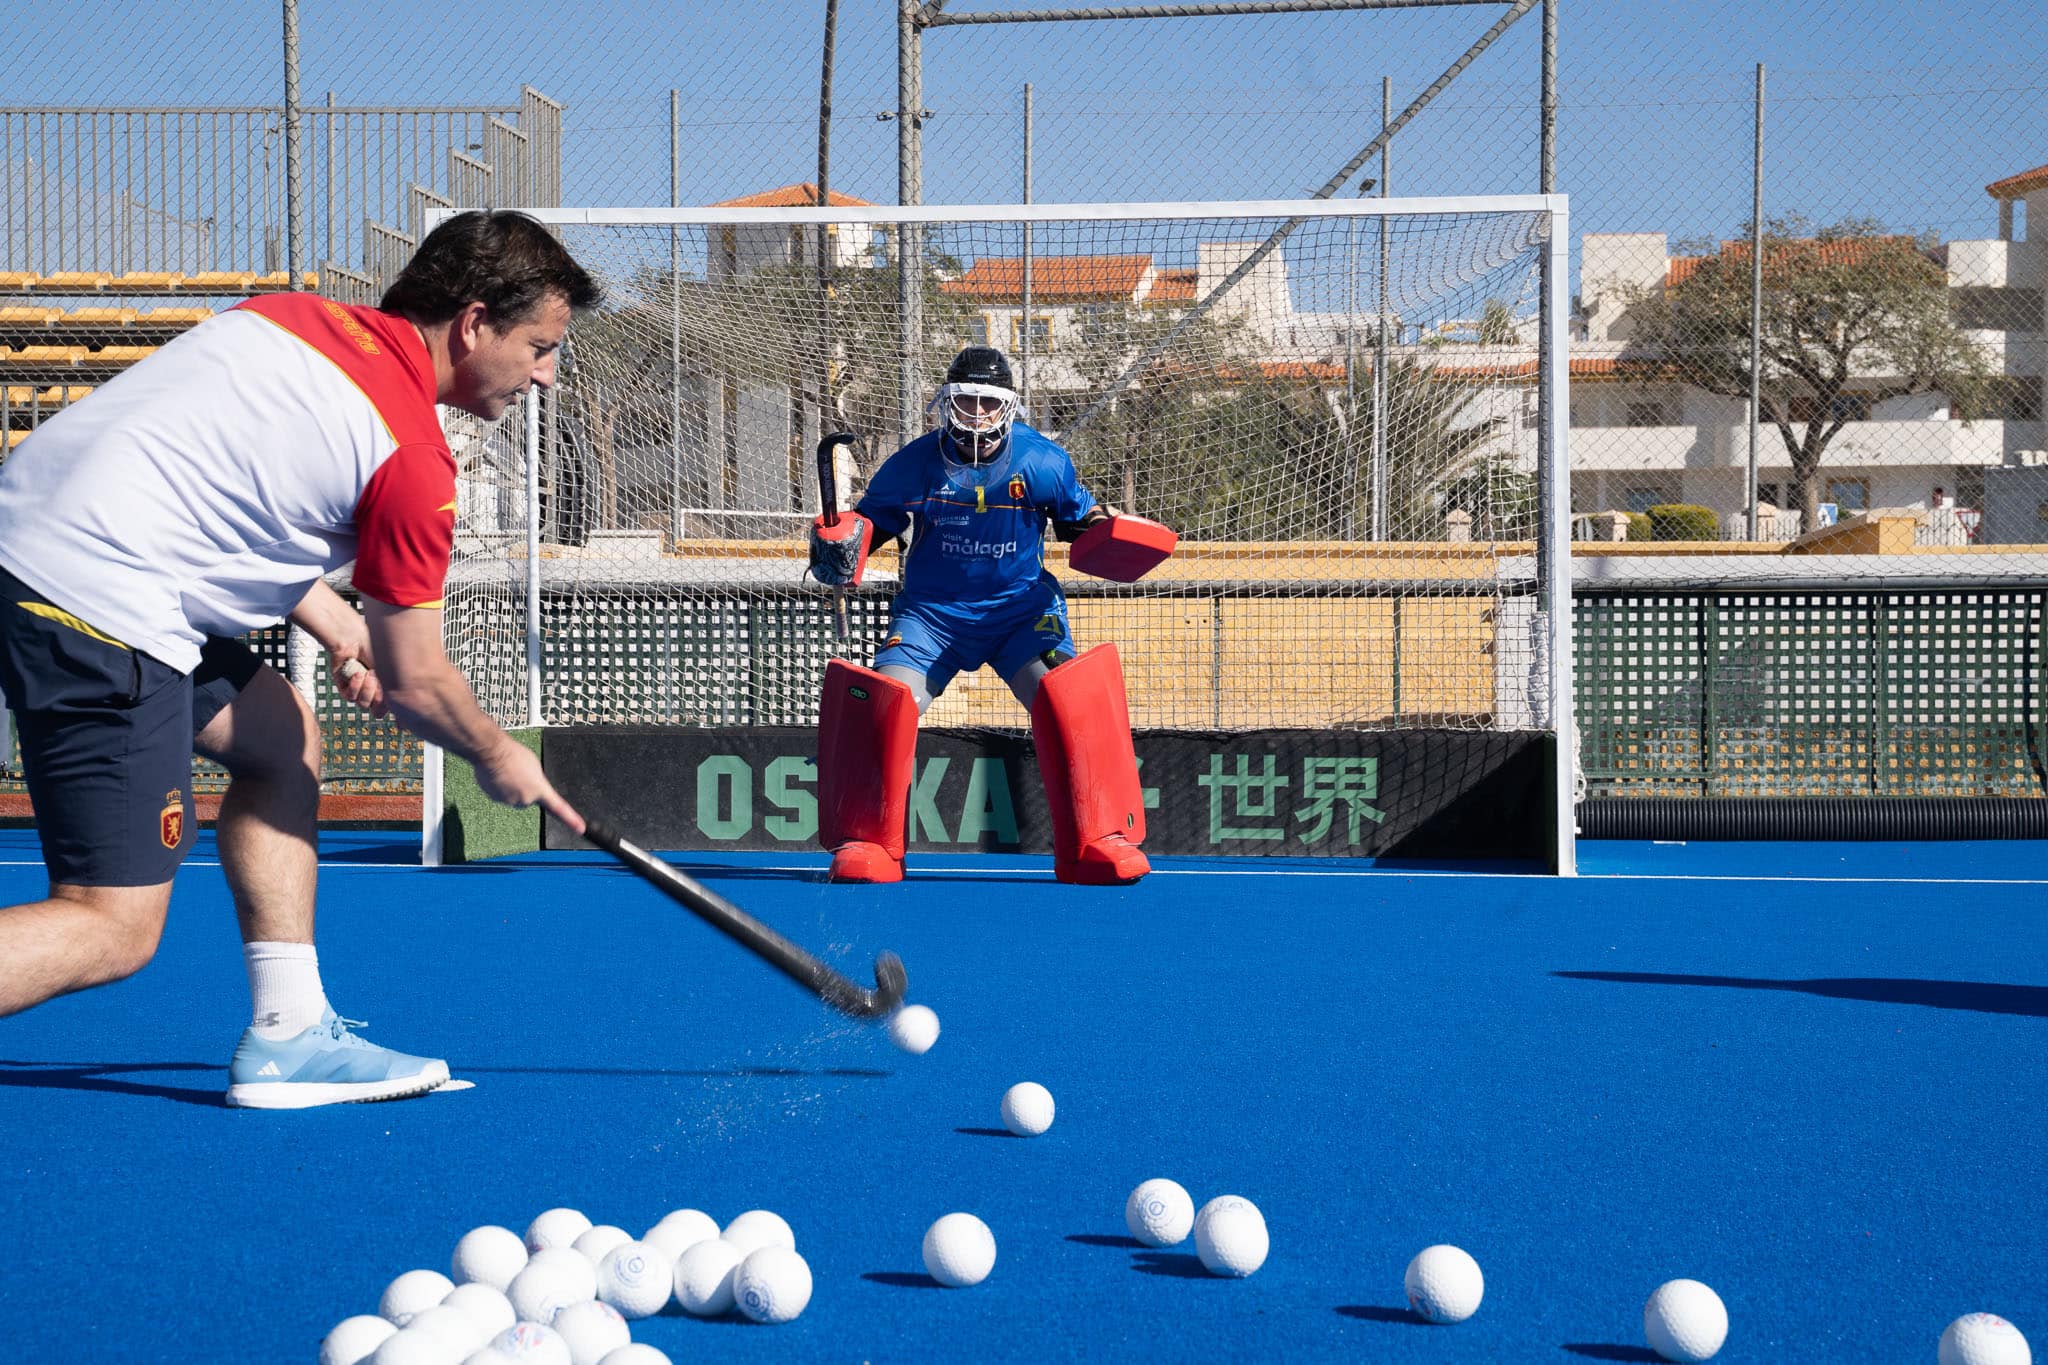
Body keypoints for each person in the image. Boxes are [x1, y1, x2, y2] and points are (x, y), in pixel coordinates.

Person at [0, 210, 597, 1108]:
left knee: (281, 738)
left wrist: (335, 621)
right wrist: (499, 752)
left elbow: (216, 489)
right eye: (540, 345)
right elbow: (420, 680)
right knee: (111, 923)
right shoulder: (415, 456)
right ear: (473, 323)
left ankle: (289, 1034)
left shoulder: (291, 318)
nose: (545, 375)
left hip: (37, 541)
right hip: (96, 597)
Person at [807, 345, 1157, 887]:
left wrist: (1107, 530)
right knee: (887, 703)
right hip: (931, 618)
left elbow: (1079, 521)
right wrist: (843, 539)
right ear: (947, 401)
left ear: (1008, 405)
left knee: (1070, 698)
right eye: (965, 400)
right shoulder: (913, 463)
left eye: (987, 402)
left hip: (1020, 614)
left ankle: (1098, 840)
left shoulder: (1042, 461)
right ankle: (869, 843)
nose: (975, 413)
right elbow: (871, 524)